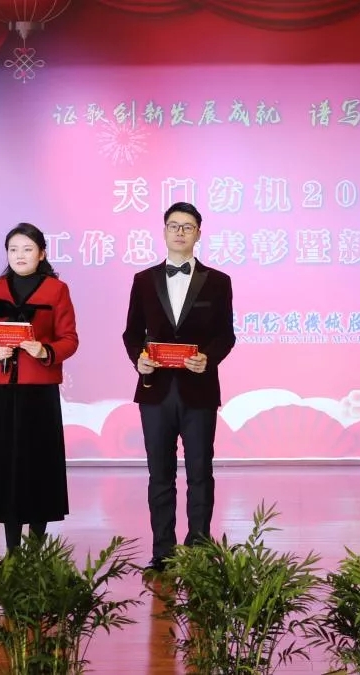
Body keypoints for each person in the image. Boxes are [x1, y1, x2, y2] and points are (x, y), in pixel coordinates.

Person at [122, 202, 236, 573]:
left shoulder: (218, 281)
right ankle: (163, 552)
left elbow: (226, 335)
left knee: (200, 472)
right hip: (155, 389)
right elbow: (131, 333)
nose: (180, 232)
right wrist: (138, 358)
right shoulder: (143, 280)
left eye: (188, 226)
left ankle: (199, 550)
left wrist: (208, 358)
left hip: (199, 389)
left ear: (199, 233)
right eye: (174, 225)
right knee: (160, 474)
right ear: (164, 231)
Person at [0, 223, 79, 552]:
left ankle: (36, 550)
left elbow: (70, 339)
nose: (20, 255)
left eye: (27, 249)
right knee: (6, 468)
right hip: (3, 390)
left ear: (41, 253)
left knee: (39, 467)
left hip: (40, 391)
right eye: (13, 249)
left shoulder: (56, 290)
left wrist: (44, 351)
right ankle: (12, 550)